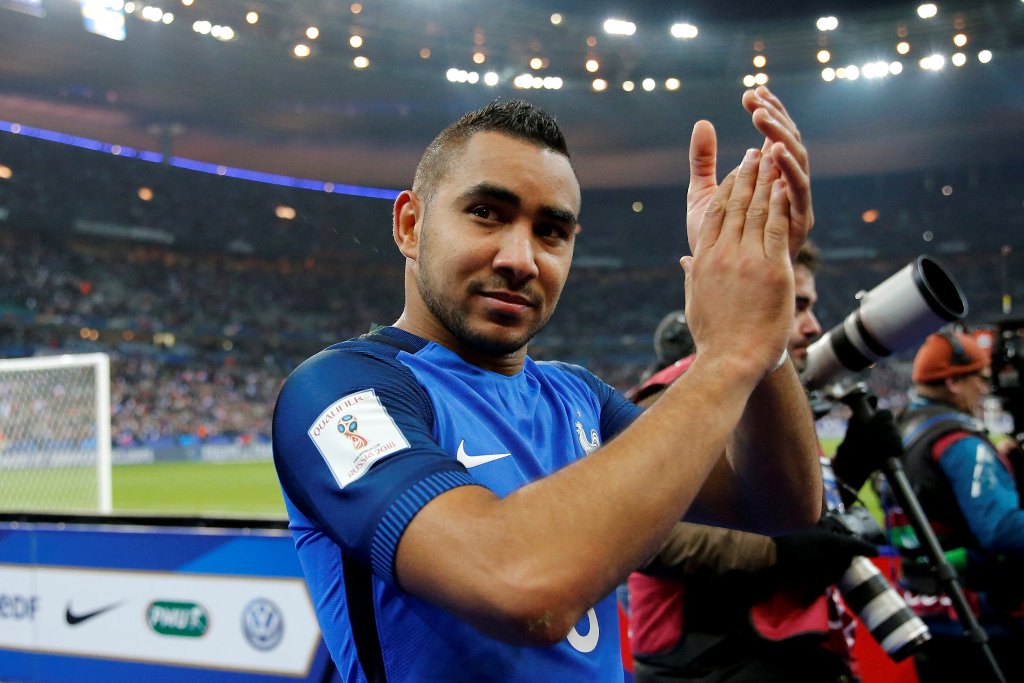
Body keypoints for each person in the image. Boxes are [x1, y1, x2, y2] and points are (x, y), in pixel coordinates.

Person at [272, 91, 823, 682]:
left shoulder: (579, 396)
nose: (521, 258)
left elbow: (778, 503)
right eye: (486, 212)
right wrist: (728, 356)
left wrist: (763, 311)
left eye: (551, 231)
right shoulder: (341, 391)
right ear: (411, 225)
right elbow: (518, 584)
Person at [627, 242, 904, 683]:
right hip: (705, 660)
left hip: (774, 650)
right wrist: (777, 553)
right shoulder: (678, 392)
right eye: (796, 306)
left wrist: (848, 471)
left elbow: (771, 510)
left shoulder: (770, 399)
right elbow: (646, 533)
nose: (814, 328)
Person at [893, 331, 1024, 682]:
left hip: (926, 611)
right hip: (978, 622)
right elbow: (1002, 529)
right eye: (980, 378)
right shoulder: (959, 440)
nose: (986, 388)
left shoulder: (903, 428)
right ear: (953, 381)